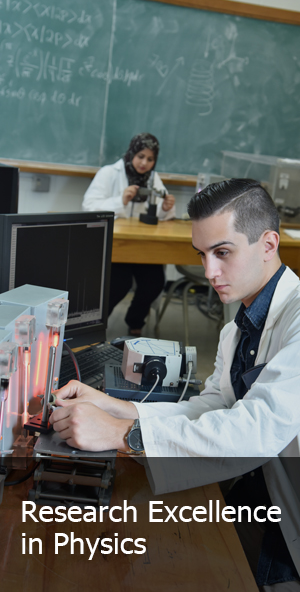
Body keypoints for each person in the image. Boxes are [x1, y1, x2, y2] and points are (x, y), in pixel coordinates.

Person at [51, 179, 300, 589]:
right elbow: (217, 405)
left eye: (222, 253)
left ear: (269, 244)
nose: (208, 272)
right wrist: (120, 408)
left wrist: (124, 435)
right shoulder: (237, 328)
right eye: (202, 255)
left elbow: (255, 431)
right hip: (258, 497)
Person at [82, 133, 176, 336]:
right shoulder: (109, 173)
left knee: (154, 281)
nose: (144, 163)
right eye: (141, 156)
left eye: (150, 159)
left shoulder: (153, 179)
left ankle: (135, 320)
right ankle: (95, 325)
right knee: (118, 283)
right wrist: (120, 201)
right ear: (132, 153)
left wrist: (167, 208)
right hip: (116, 246)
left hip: (143, 246)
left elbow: (160, 214)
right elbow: (88, 206)